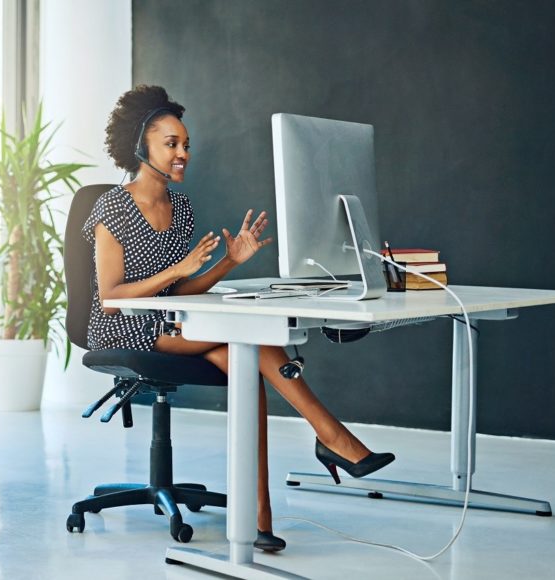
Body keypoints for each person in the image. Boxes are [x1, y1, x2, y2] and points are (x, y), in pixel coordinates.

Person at [83, 85, 395, 552]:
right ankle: (330, 437)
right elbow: (111, 297)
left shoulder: (181, 207)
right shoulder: (113, 206)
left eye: (186, 144)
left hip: (175, 321)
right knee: (250, 345)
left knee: (244, 359)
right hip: (125, 327)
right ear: (140, 147)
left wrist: (228, 262)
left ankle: (259, 519)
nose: (183, 153)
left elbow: (181, 290)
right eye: (172, 144)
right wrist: (179, 269)